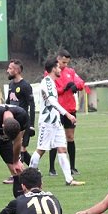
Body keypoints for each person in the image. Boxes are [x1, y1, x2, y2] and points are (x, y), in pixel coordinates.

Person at [28, 57, 85, 186]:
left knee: (62, 149)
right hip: (47, 122)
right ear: (53, 68)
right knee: (41, 149)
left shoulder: (52, 82)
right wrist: (68, 114)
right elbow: (52, 101)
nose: (60, 69)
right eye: (58, 67)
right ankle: (28, 177)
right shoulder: (47, 82)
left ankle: (69, 179)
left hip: (56, 121)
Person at [48, 50, 86, 177]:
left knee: (70, 137)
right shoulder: (51, 72)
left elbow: (81, 83)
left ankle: (73, 167)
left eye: (67, 62)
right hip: (57, 110)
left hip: (70, 109)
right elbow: (52, 91)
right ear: (58, 59)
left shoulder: (71, 72)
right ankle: (52, 168)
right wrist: (64, 88)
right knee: (54, 139)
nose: (64, 65)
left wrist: (76, 85)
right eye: (63, 62)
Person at [2, 59, 36, 184]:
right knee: (20, 149)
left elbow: (32, 106)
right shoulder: (11, 85)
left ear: (16, 70)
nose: (7, 70)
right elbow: (8, 102)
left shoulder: (25, 86)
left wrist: (31, 125)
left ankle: (17, 174)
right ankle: (35, 169)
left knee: (20, 147)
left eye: (10, 68)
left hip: (23, 122)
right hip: (12, 122)